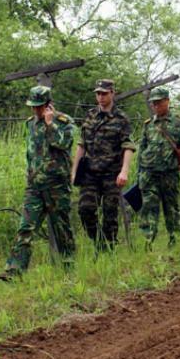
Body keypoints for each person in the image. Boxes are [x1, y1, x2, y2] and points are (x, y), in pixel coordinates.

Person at [0, 85, 76, 280]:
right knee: (25, 227)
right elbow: (31, 153)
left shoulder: (64, 122)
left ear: (48, 105)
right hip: (35, 186)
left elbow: (63, 144)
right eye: (33, 106)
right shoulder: (30, 123)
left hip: (57, 186)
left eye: (39, 106)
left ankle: (69, 268)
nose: (35, 110)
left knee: (61, 228)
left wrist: (50, 125)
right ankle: (14, 271)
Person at [71, 79, 135, 251]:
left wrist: (124, 171)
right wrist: (74, 171)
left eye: (104, 93)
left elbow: (128, 146)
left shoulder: (121, 118)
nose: (100, 97)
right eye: (98, 93)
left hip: (111, 173)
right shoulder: (90, 115)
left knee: (110, 214)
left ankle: (110, 249)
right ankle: (100, 243)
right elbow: (82, 144)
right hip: (90, 173)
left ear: (112, 93)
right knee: (85, 209)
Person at [137, 86, 180, 248]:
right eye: (153, 103)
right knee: (149, 208)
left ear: (167, 101)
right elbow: (142, 149)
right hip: (149, 174)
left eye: (158, 102)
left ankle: (176, 242)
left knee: (172, 209)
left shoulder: (179, 123)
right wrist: (140, 173)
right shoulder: (148, 125)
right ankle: (147, 243)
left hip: (169, 175)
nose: (155, 106)